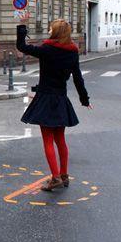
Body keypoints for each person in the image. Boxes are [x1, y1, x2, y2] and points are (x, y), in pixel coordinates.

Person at [16, 19, 92, 192]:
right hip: (60, 98)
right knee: (60, 140)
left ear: (56, 32)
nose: (49, 30)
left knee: (48, 140)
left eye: (51, 28)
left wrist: (22, 27)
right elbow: (78, 78)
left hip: (46, 99)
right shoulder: (73, 52)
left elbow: (22, 47)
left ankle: (55, 178)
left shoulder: (47, 49)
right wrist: (84, 99)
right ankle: (64, 175)